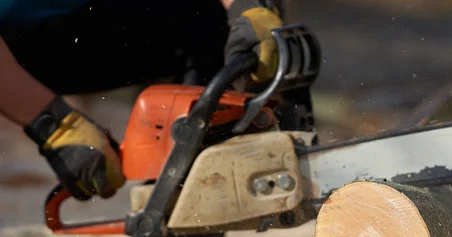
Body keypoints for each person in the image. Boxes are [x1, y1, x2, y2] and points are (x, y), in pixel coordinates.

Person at [0, 0, 284, 201]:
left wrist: (248, 6)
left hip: (72, 22)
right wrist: (54, 127)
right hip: (12, 44)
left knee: (211, 16)